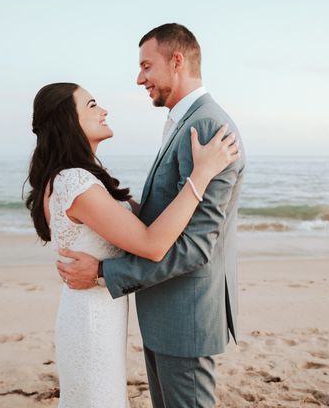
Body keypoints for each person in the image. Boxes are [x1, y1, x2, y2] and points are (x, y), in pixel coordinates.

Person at [57, 23, 246, 408]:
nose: (139, 78)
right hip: (166, 313)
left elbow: (195, 247)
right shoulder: (184, 121)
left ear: (177, 61)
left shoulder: (205, 126)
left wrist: (102, 272)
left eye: (146, 66)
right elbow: (163, 215)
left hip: (185, 315)